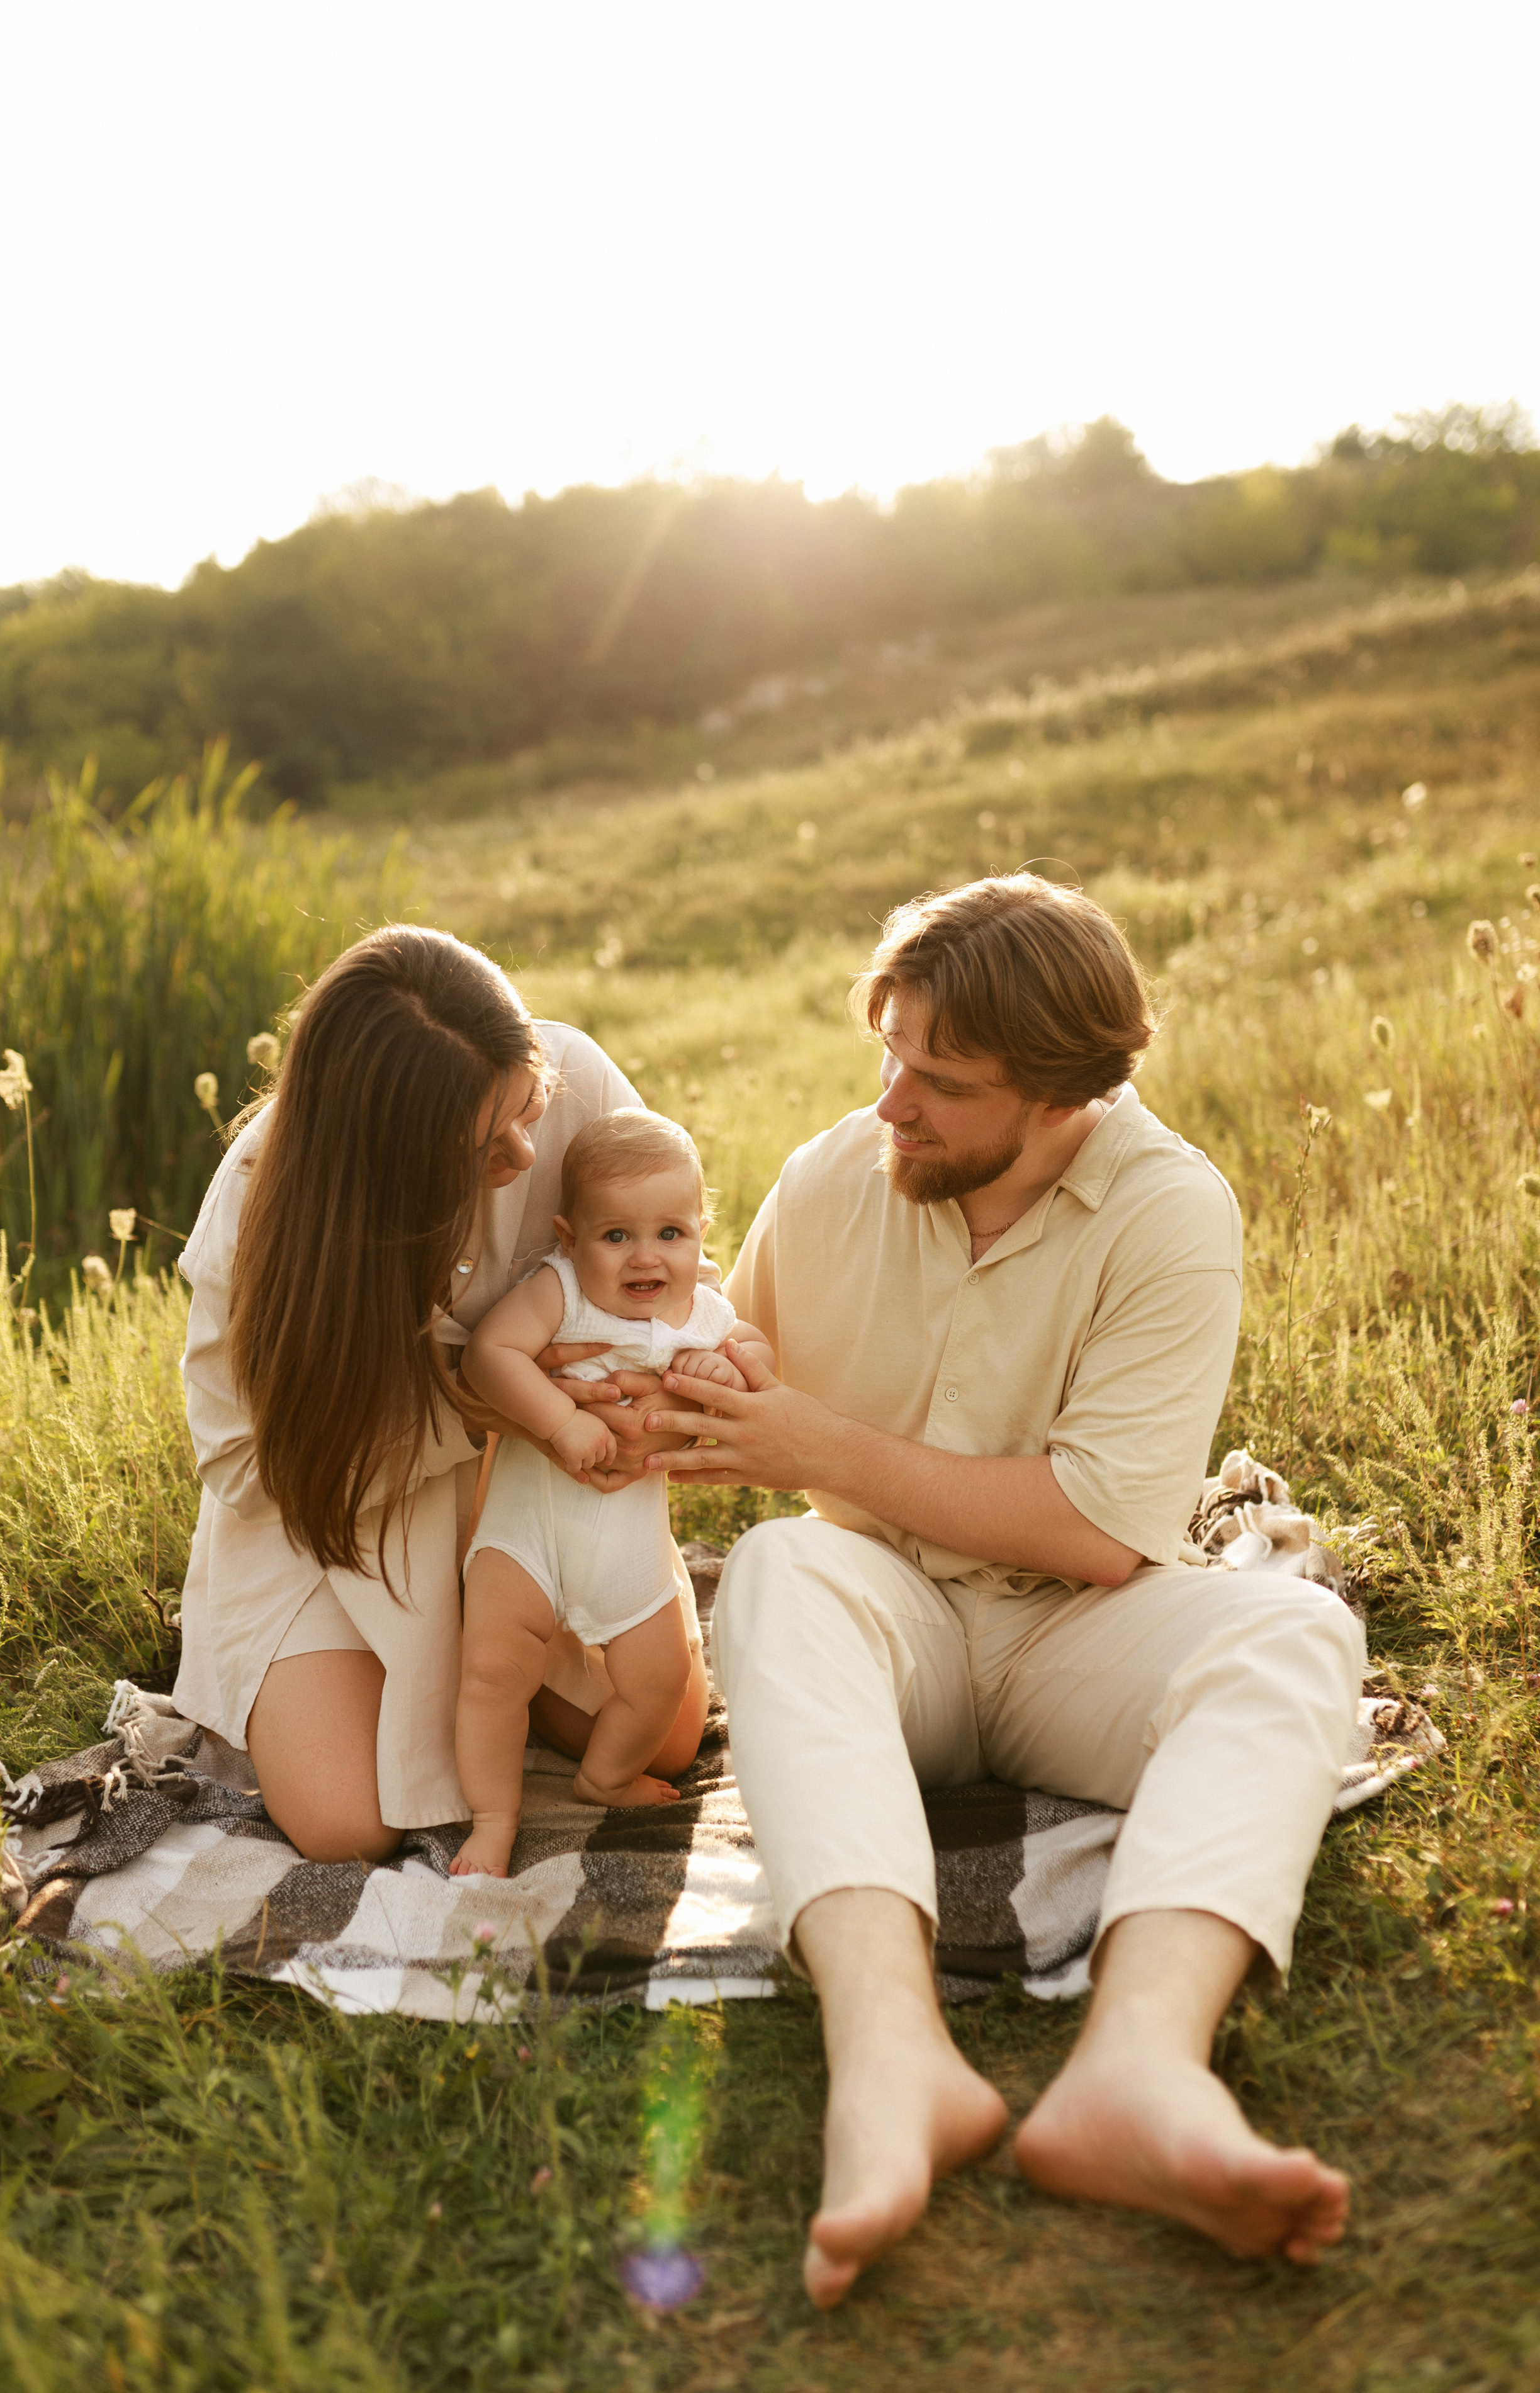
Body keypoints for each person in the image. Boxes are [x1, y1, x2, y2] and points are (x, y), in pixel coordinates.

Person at [642, 874, 1366, 2306]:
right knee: (785, 1564)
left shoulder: (1169, 1212)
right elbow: (744, 1365)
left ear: (1060, 1099)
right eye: (890, 1054)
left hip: (1072, 1634)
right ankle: (892, 2055)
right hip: (884, 1633)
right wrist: (684, 1379)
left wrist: (819, 1441)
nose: (891, 1102)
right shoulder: (835, 1171)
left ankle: (1136, 2072)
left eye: (940, 1082)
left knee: (1291, 1629)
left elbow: (1101, 1528)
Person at [172, 925, 709, 1861]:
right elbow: (244, 1466)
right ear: (381, 1165)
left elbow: (673, 1276)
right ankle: (464, 1672)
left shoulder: (577, 1081)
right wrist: (476, 1403)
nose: (522, 1149)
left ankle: (502, 1665)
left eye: (529, 1103)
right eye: (479, 1146)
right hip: (343, 1515)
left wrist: (650, 1403)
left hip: (538, 1489)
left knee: (661, 1735)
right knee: (350, 1822)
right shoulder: (265, 1203)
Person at [451, 1110, 771, 1874]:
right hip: (526, 1540)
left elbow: (755, 1354)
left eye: (670, 1234)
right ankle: (494, 1818)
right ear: (569, 1237)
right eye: (615, 1236)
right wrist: (560, 1421)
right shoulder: (559, 1292)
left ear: (700, 1232)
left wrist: (733, 1367)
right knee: (492, 1674)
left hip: (625, 1551)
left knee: (656, 1679)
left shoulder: (704, 1315)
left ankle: (604, 1776)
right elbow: (490, 1357)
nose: (645, 1257)